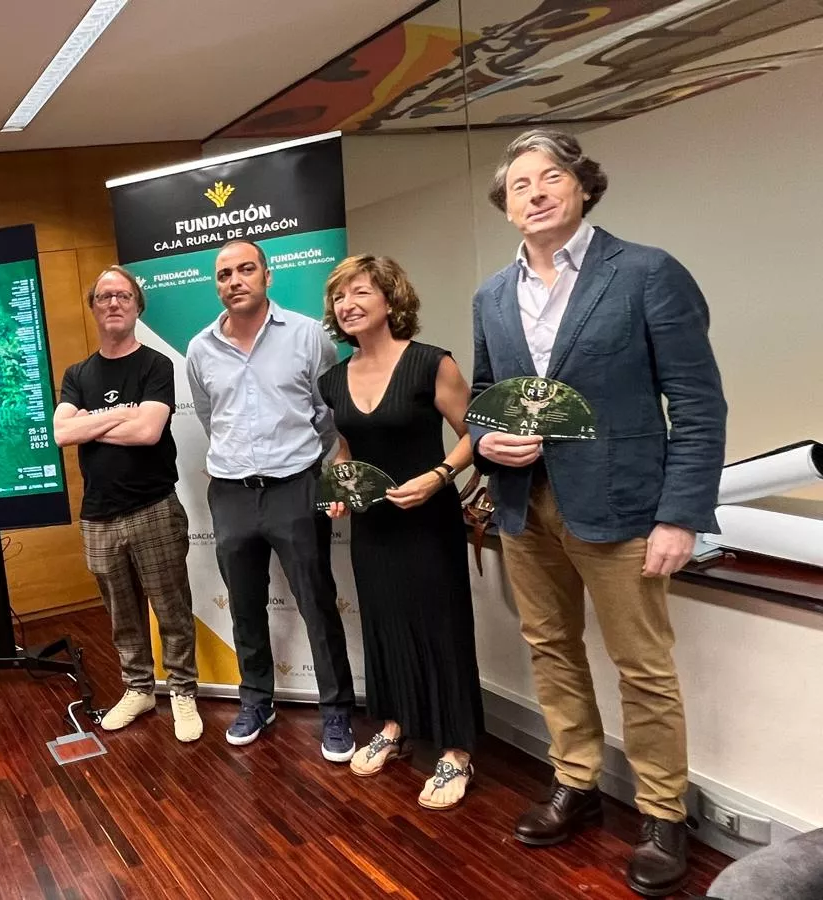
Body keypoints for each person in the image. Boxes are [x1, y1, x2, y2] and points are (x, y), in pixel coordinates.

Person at [472, 128, 726, 897]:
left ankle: (662, 814)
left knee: (642, 667)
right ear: (507, 207)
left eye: (552, 177)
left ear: (583, 187)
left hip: (623, 506)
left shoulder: (646, 272)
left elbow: (697, 403)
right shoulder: (491, 295)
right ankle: (575, 781)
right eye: (520, 184)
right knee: (551, 649)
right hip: (526, 504)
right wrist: (487, 439)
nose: (536, 192)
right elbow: (484, 398)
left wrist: (680, 515)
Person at [317, 255, 483, 809]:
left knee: (441, 626)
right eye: (340, 297)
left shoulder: (432, 363)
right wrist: (341, 488)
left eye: (361, 292)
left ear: (390, 300)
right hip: (374, 525)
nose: (348, 304)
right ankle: (394, 725)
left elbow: (476, 435)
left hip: (429, 521)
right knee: (383, 623)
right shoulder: (332, 379)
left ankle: (457, 749)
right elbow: (347, 449)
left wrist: (439, 477)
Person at [186, 239, 358, 757]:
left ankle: (336, 712)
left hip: (295, 488)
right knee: (244, 606)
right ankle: (256, 700)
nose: (234, 281)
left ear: (267, 275)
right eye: (224, 275)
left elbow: (327, 412)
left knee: (317, 603)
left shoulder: (307, 335)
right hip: (231, 493)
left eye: (245, 270)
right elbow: (208, 416)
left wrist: (320, 470)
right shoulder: (200, 349)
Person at [55, 266, 202, 742]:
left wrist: (93, 422)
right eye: (104, 296)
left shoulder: (155, 365)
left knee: (171, 608)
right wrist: (122, 413)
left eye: (122, 295)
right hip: (98, 516)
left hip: (153, 507)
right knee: (122, 615)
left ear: (138, 305)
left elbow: (148, 431)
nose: (113, 303)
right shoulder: (77, 374)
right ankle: (139, 688)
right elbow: (61, 433)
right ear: (93, 308)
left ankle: (182, 691)